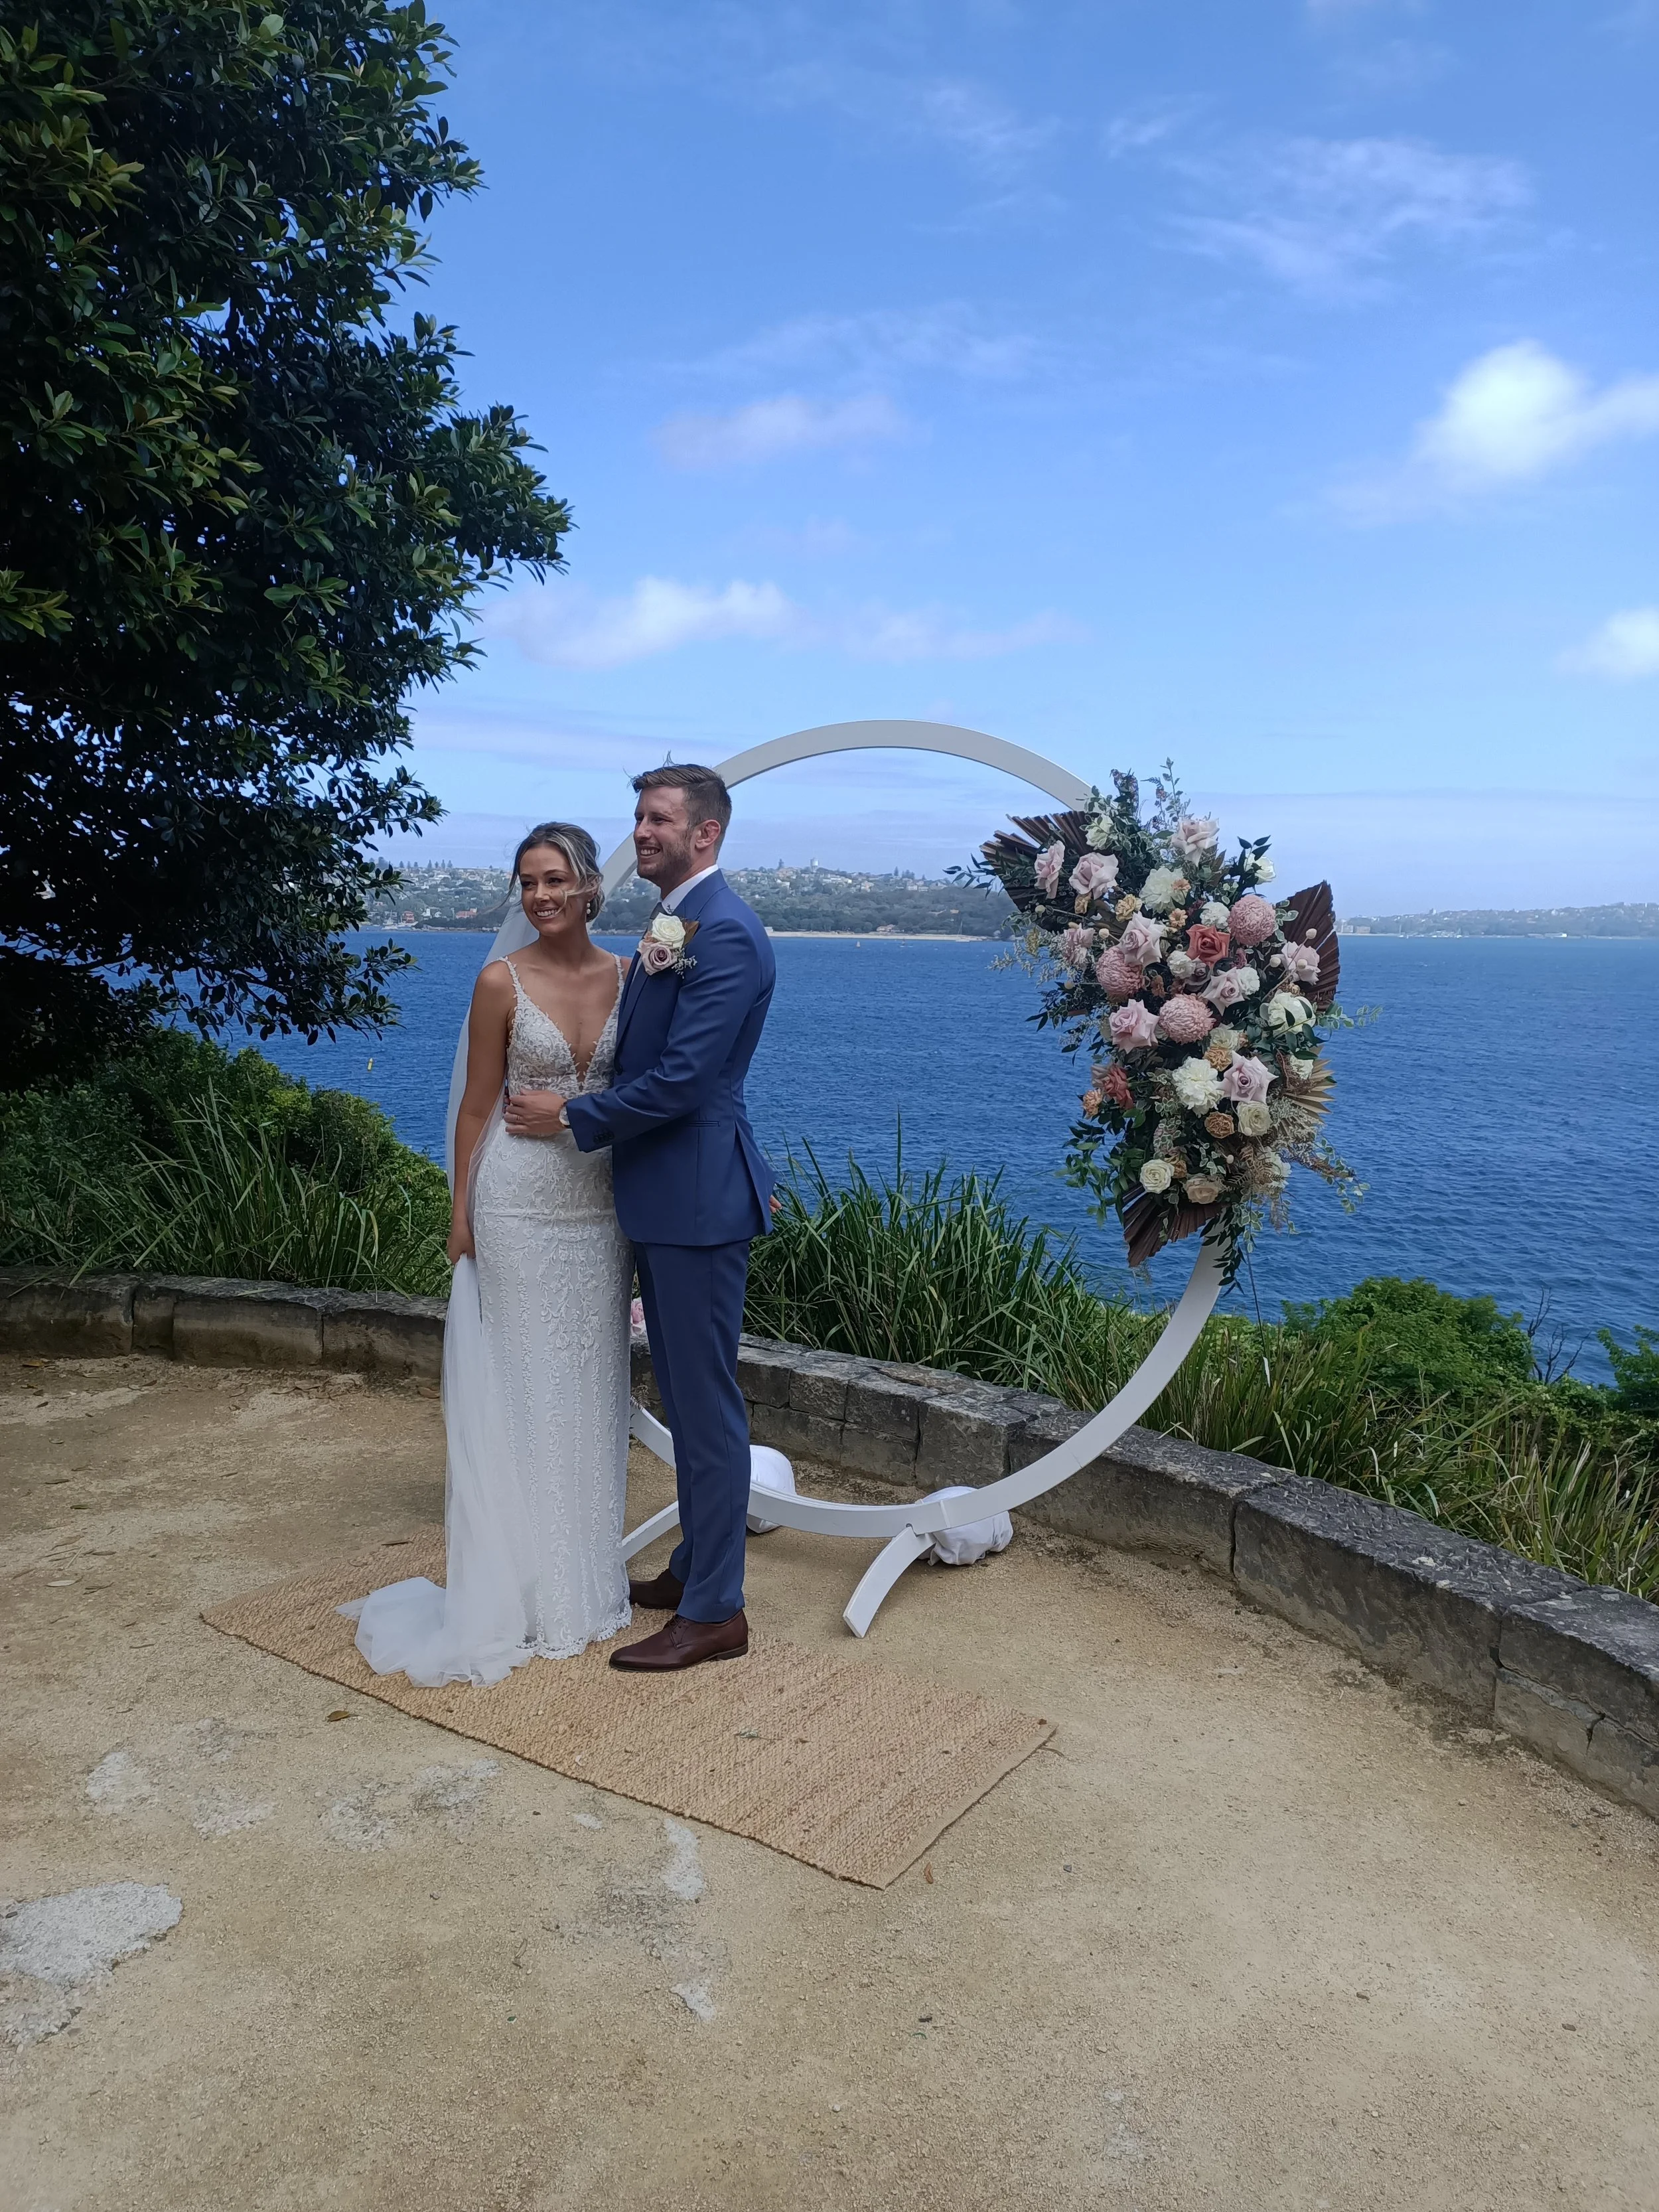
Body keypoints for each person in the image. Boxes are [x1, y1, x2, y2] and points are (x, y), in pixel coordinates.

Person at [342, 822, 634, 1685]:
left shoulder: (632, 978)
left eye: (555, 881)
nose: (540, 897)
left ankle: (586, 1587)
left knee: (591, 1386)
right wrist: (460, 1210)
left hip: (601, 1210)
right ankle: (525, 1594)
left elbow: (646, 1095)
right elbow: (475, 1108)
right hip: (514, 1204)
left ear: (589, 888)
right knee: (524, 1391)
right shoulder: (498, 982)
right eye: (527, 884)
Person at [554, 763, 776, 1671]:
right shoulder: (676, 923)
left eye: (659, 819)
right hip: (665, 1194)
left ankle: (718, 1611)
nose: (641, 831)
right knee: (686, 1400)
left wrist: (571, 1117)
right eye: (638, 816)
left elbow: (684, 1080)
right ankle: (693, 1570)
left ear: (706, 834)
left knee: (706, 1408)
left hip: (696, 1200)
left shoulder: (723, 934)